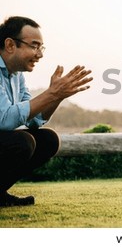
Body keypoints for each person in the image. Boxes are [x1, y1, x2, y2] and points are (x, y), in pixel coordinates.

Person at [0, 16, 92, 207]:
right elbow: (4, 120)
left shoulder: (17, 76)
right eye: (34, 46)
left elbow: (32, 121)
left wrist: (57, 96)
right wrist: (51, 94)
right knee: (22, 142)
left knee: (47, 140)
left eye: (41, 48)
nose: (39, 54)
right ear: (10, 45)